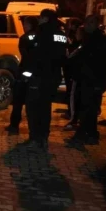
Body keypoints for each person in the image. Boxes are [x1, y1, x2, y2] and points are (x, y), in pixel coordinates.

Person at [68, 14, 106, 145]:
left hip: (95, 79)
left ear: (96, 24)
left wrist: (94, 58)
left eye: (91, 23)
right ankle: (90, 134)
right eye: (87, 22)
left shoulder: (104, 39)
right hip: (86, 78)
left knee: (88, 108)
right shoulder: (86, 38)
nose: (88, 25)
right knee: (88, 108)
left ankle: (84, 135)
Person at [23, 9, 68, 151]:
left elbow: (34, 56)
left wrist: (27, 75)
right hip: (53, 76)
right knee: (45, 107)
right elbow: (63, 57)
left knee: (33, 108)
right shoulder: (61, 35)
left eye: (41, 17)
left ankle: (35, 138)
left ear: (46, 19)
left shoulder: (41, 33)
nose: (39, 20)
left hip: (39, 77)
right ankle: (44, 138)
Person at [6, 16, 38, 134]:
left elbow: (25, 56)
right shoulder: (41, 37)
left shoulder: (24, 38)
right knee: (34, 103)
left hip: (25, 73)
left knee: (18, 101)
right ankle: (34, 130)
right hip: (37, 74)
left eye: (25, 24)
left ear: (29, 25)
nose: (24, 26)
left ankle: (14, 126)